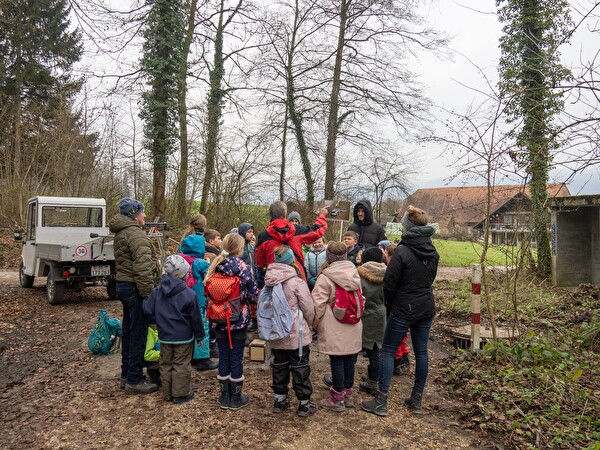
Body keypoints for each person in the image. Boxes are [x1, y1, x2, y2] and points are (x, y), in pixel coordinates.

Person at [362, 205, 439, 417]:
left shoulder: (402, 251)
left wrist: (392, 304)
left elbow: (389, 284)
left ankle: (381, 401)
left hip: (404, 306)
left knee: (387, 350)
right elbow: (430, 279)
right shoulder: (433, 251)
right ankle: (416, 400)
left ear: (407, 226)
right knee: (421, 352)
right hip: (426, 305)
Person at [109, 197, 159, 394]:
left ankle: (126, 374)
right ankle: (134, 380)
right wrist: (148, 297)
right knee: (139, 334)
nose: (145, 215)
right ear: (134, 215)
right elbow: (143, 268)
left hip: (124, 286)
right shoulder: (136, 235)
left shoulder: (123, 232)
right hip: (136, 289)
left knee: (129, 332)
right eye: (142, 211)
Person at [142, 255, 205, 404]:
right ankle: (180, 394)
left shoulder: (157, 292)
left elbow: (148, 309)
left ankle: (168, 393)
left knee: (166, 363)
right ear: (183, 275)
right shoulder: (190, 294)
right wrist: (200, 336)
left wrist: (145, 300)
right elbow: (195, 318)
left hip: (164, 336)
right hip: (183, 337)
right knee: (181, 364)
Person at [206, 233, 258, 410]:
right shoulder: (244, 268)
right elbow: (253, 294)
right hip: (238, 319)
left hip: (218, 317)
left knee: (223, 356)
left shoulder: (216, 265)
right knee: (236, 357)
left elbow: (208, 293)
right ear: (240, 249)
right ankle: (235, 399)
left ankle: (224, 397)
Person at [266, 245, 317, 417]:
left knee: (279, 366)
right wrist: (311, 324)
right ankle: (304, 403)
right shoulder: (296, 282)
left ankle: (279, 400)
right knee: (300, 367)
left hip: (276, 333)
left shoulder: (269, 281)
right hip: (297, 335)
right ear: (291, 261)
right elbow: (308, 308)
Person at [312, 241, 362, 412]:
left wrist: (314, 323)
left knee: (337, 359)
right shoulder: (354, 273)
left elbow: (317, 304)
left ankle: (337, 397)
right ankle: (348, 393)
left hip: (334, 322)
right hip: (354, 322)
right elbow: (361, 299)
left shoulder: (326, 277)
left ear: (329, 256)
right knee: (349, 359)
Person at [255, 201, 328, 288]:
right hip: (297, 278)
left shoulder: (263, 237)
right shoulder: (296, 230)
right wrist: (322, 215)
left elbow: (259, 262)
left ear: (270, 215)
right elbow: (318, 230)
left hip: (274, 281)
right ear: (284, 214)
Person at [179, 234, 219, 372]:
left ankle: (190, 356)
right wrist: (209, 262)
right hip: (198, 303)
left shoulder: (181, 261)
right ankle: (202, 359)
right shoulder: (200, 263)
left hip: (182, 302)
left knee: (187, 329)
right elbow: (210, 277)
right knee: (202, 329)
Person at [356, 247, 387, 395]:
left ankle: (342, 379)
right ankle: (374, 382)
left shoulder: (359, 275)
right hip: (380, 315)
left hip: (362, 314)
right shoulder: (388, 274)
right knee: (376, 350)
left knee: (352, 349)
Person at [237, 223, 259, 332]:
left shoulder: (250, 247)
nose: (251, 234)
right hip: (241, 281)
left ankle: (248, 326)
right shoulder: (240, 247)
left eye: (252, 232)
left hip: (250, 279)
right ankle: (243, 330)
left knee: (250, 306)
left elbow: (253, 263)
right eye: (249, 232)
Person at [144, 316, 161, 387]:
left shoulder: (155, 331)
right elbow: (147, 355)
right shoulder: (150, 334)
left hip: (155, 358)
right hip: (152, 361)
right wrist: (162, 354)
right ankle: (154, 376)